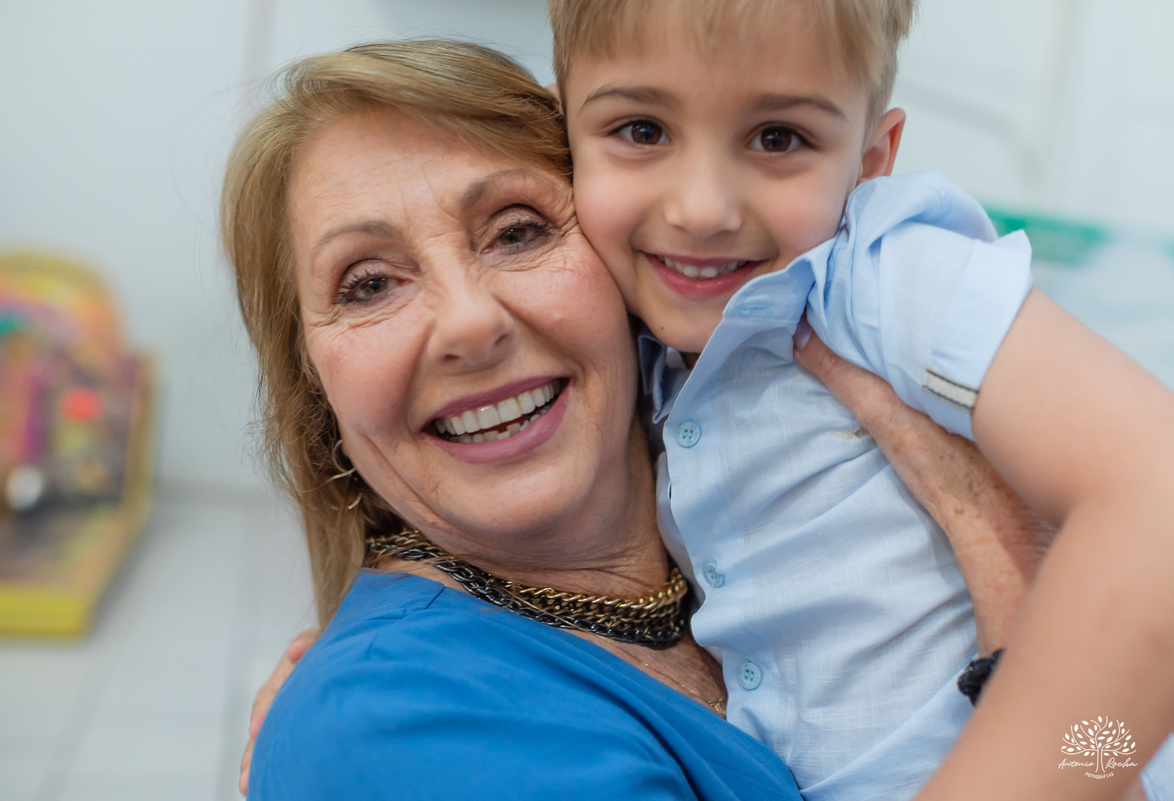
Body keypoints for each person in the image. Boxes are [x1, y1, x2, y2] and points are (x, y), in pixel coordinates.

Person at [225, 41, 1050, 800]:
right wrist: (1010, 573)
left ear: (638, 255)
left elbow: (1128, 740)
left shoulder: (780, 518)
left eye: (517, 230)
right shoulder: (391, 726)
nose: (471, 323)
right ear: (316, 389)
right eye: (368, 284)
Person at [549, 0, 1174, 799]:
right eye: (642, 130)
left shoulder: (882, 277)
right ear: (561, 128)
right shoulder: (630, 357)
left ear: (872, 158)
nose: (701, 207)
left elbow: (1163, 488)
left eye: (778, 138)